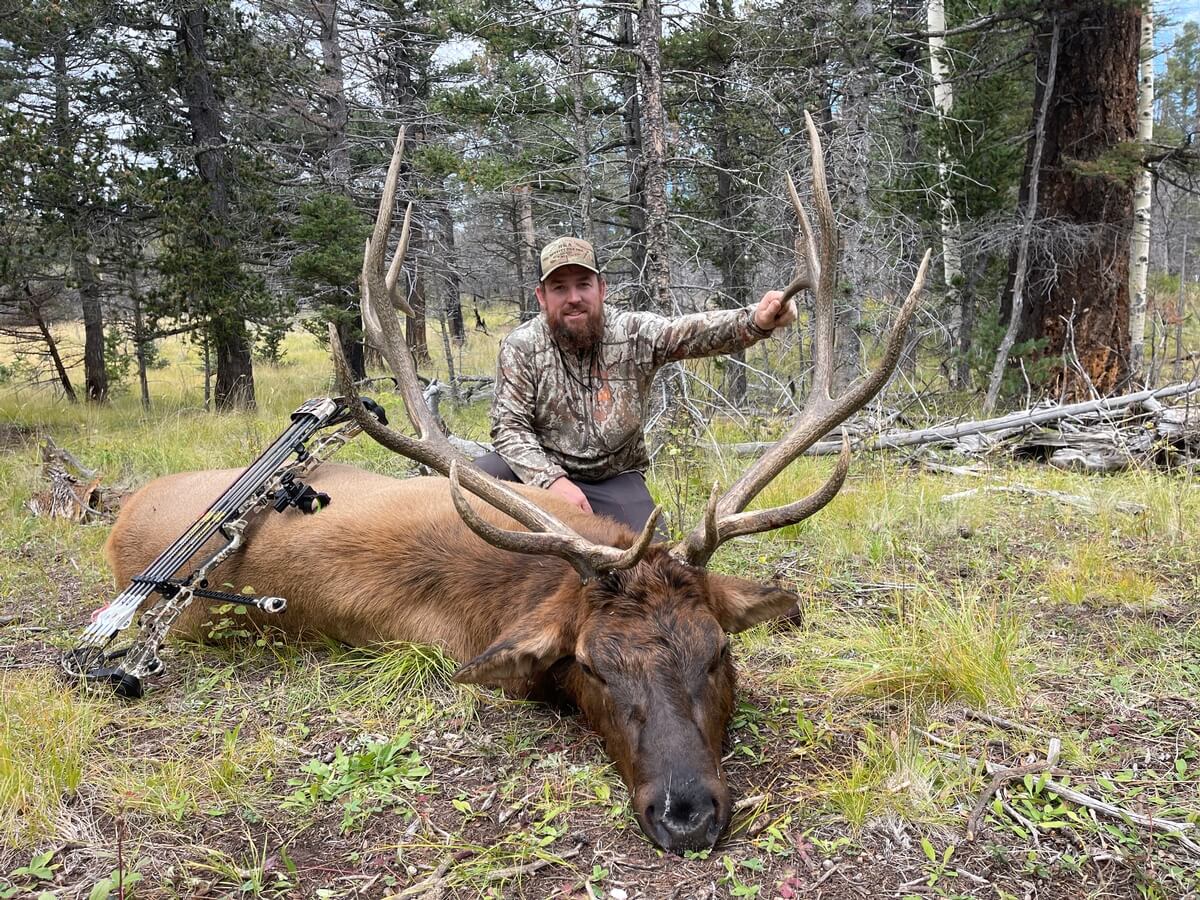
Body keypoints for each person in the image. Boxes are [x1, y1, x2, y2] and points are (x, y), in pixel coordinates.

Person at [473, 236, 797, 532]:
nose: (573, 298)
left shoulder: (632, 333)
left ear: (601, 288)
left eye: (583, 285)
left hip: (612, 478)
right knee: (466, 487)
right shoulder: (522, 346)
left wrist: (755, 320)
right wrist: (551, 481)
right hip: (536, 472)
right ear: (542, 297)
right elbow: (509, 428)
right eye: (559, 287)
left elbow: (689, 332)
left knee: (652, 568)